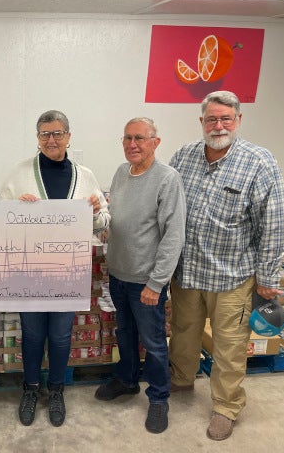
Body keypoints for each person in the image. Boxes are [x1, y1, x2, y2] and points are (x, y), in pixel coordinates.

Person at [168, 91, 284, 441]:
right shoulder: (183, 157)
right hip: (188, 271)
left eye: (226, 119)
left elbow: (274, 224)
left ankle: (226, 407)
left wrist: (267, 277)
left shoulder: (260, 162)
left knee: (230, 346)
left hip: (233, 276)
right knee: (184, 334)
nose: (218, 125)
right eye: (211, 119)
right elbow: (168, 208)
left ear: (238, 120)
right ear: (201, 121)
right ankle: (181, 380)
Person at [0, 110, 110, 427]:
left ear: (69, 137)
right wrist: (14, 208)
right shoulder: (19, 174)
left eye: (58, 133)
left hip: (68, 271)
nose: (52, 139)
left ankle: (57, 389)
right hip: (29, 271)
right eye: (45, 134)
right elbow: (0, 221)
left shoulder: (85, 176)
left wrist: (96, 211)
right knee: (33, 335)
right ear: (37, 138)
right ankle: (31, 388)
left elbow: (102, 225)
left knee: (61, 337)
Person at [94, 118, 186, 434]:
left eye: (140, 138)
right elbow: (115, 219)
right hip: (119, 274)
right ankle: (127, 379)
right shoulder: (122, 173)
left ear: (155, 142)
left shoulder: (167, 179)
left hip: (146, 281)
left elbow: (174, 235)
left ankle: (159, 399)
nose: (132, 144)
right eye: (127, 138)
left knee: (154, 342)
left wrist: (156, 283)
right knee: (125, 334)